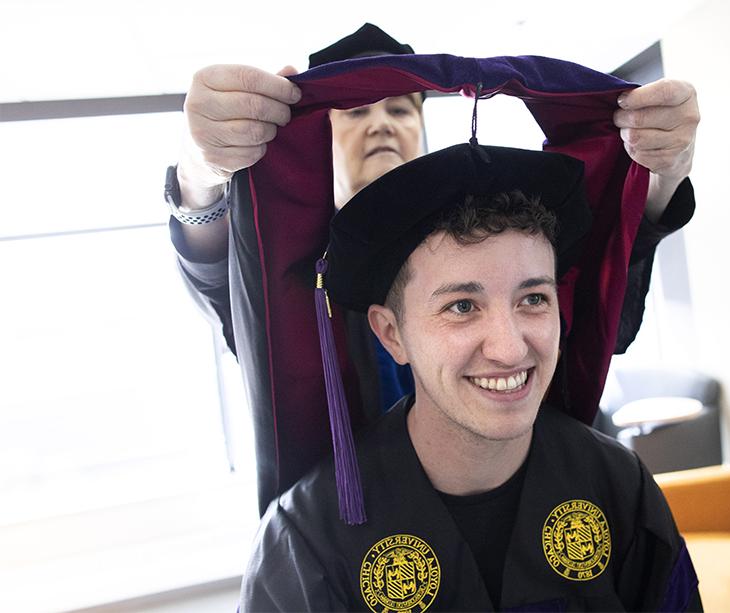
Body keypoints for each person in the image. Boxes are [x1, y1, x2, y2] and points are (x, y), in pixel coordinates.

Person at [165, 23, 701, 512]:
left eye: (399, 110)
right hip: (368, 530)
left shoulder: (493, 232)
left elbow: (604, 302)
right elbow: (218, 274)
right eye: (356, 112)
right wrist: (204, 169)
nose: (381, 126)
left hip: (545, 503)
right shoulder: (292, 276)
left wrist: (662, 177)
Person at [240, 143, 702, 611]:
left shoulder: (618, 485)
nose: (509, 348)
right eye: (462, 307)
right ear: (391, 334)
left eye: (534, 299)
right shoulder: (305, 540)